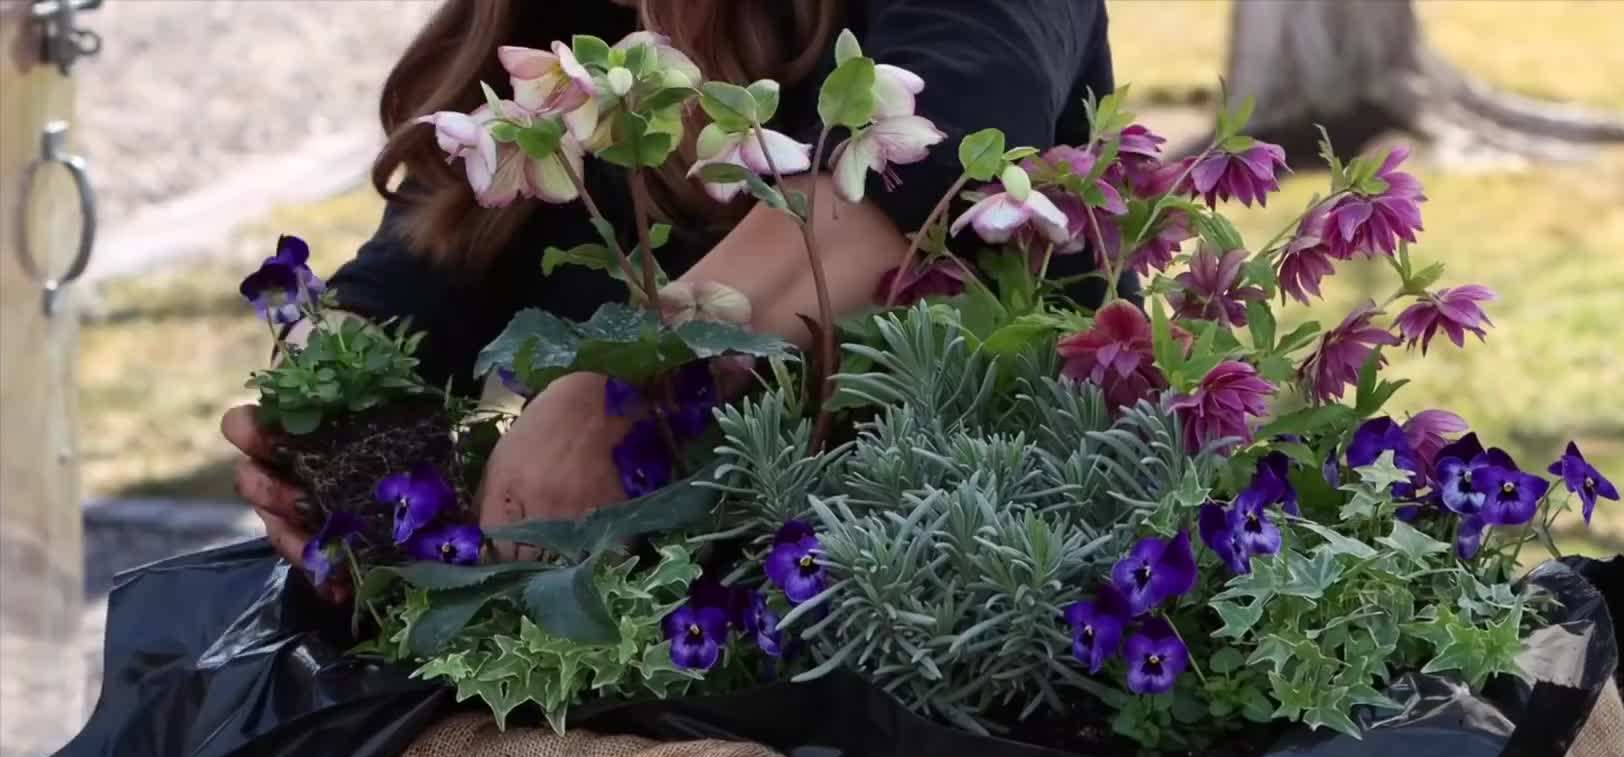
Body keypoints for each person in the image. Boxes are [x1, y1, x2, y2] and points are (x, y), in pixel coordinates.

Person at [223, 0, 1114, 593]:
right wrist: (327, 398)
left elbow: (938, 137)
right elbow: (435, 250)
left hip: (981, 604)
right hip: (643, 641)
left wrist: (621, 389)